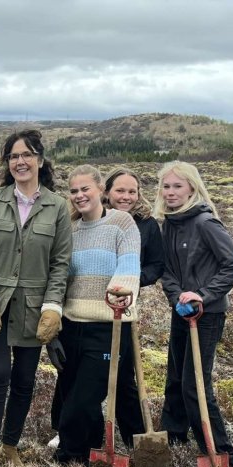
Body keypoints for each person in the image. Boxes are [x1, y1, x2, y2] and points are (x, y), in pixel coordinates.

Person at [0, 129, 72, 467]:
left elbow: (60, 262)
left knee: (25, 380)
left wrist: (53, 306)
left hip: (33, 309)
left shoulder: (57, 207)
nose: (20, 161)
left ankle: (11, 444)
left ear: (40, 161)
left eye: (26, 155)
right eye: (13, 156)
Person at [49, 167, 166, 449]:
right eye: (74, 191)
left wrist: (123, 291)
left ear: (101, 189)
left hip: (109, 324)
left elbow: (129, 265)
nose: (79, 195)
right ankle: (90, 447)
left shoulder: (122, 223)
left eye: (85, 189)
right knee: (71, 390)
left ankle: (69, 451)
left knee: (85, 396)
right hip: (71, 323)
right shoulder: (68, 228)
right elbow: (58, 274)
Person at [156, 161, 233, 467]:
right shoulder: (168, 224)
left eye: (177, 186)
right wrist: (176, 295)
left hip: (207, 315)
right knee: (175, 377)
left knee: (195, 382)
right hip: (181, 312)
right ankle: (173, 435)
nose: (170, 192)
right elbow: (166, 269)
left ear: (191, 188)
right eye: (166, 186)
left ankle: (222, 451)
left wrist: (202, 295)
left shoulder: (206, 223)